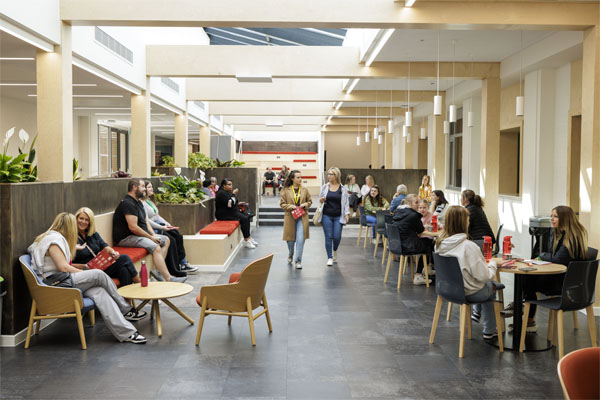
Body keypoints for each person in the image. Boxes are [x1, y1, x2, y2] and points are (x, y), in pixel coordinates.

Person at [28, 213, 147, 344]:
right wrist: (83, 272)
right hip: (57, 285)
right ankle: (126, 309)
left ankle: (127, 333)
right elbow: (64, 268)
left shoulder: (54, 238)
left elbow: (65, 265)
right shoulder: (54, 242)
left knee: (100, 292)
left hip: (63, 281)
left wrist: (84, 267)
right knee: (98, 274)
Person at [435, 206, 503, 340]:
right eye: (468, 219)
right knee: (491, 285)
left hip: (446, 290)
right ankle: (489, 330)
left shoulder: (439, 244)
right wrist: (493, 264)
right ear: (463, 222)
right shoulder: (469, 247)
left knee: (484, 283)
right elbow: (485, 276)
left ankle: (477, 313)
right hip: (468, 292)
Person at [518, 205, 589, 332]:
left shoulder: (570, 238)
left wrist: (541, 256)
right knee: (527, 278)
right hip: (570, 281)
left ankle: (523, 312)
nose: (551, 219)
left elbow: (557, 259)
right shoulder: (566, 234)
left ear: (565, 219)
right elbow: (552, 255)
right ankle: (523, 310)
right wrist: (544, 254)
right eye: (551, 216)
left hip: (562, 284)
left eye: (555, 216)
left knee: (526, 278)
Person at [112, 179, 186, 283]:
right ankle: (169, 278)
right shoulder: (128, 203)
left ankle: (157, 271)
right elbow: (133, 227)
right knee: (155, 247)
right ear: (134, 187)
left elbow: (146, 222)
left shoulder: (138, 203)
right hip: (126, 238)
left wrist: (153, 234)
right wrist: (151, 238)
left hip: (137, 236)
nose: (144, 190)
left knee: (166, 240)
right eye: (142, 186)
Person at [72, 207, 140, 286]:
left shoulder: (93, 234)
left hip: (99, 266)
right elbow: (67, 263)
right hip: (87, 271)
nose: (83, 222)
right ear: (76, 219)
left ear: (90, 222)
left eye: (86, 220)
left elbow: (105, 246)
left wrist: (113, 252)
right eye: (81, 218)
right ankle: (139, 284)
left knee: (124, 269)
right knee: (124, 258)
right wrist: (84, 266)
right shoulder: (71, 237)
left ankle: (126, 298)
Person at [143, 181, 197, 274]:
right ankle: (173, 268)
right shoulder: (142, 203)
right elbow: (147, 221)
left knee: (178, 235)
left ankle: (183, 263)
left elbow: (157, 216)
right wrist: (162, 227)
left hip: (159, 225)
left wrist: (167, 224)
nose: (152, 189)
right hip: (153, 229)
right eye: (149, 187)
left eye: (151, 187)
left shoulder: (149, 201)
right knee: (171, 240)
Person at [393, 194, 436, 285]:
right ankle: (419, 274)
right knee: (428, 243)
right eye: (416, 202)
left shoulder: (398, 211)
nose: (418, 204)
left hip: (397, 244)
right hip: (408, 246)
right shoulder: (413, 214)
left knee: (425, 242)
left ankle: (426, 269)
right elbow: (420, 230)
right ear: (409, 203)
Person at [318, 167, 350, 266]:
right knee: (328, 237)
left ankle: (335, 250)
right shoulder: (324, 187)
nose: (329, 176)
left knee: (337, 237)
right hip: (326, 215)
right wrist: (322, 200)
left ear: (336, 176)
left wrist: (347, 214)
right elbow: (320, 199)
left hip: (338, 216)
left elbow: (346, 203)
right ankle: (329, 257)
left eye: (331, 174)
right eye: (328, 174)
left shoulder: (343, 188)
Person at [280, 170, 312, 269]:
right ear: (292, 179)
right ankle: (290, 254)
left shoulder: (305, 189)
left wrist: (305, 204)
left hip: (302, 217)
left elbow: (310, 201)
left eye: (301, 177)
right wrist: (291, 206)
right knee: (290, 241)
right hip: (290, 217)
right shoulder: (286, 190)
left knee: (300, 239)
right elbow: (282, 204)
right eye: (298, 177)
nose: (300, 179)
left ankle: (298, 261)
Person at [215, 178, 258, 249]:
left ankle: (249, 237)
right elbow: (230, 204)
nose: (231, 186)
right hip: (224, 214)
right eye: (229, 184)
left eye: (231, 184)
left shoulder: (227, 192)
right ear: (224, 185)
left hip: (231, 212)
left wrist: (238, 203)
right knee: (244, 219)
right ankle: (246, 240)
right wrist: (234, 194)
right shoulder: (221, 193)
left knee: (247, 216)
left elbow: (233, 201)